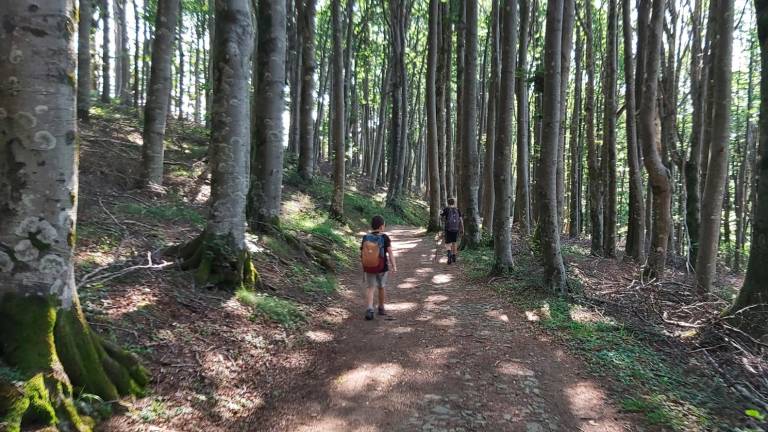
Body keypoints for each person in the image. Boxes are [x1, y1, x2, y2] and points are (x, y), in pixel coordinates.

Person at [360, 215, 397, 320]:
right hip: (382, 267)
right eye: (384, 225)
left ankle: (370, 309)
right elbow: (390, 253)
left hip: (369, 266)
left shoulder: (365, 237)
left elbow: (362, 253)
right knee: (381, 287)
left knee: (370, 288)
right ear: (381, 227)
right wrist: (394, 265)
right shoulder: (385, 237)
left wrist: (364, 265)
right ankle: (381, 307)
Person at [441, 198, 463, 264]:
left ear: (448, 203)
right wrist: (462, 228)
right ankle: (454, 256)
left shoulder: (446, 209)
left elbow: (441, 217)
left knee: (448, 243)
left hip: (448, 228)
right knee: (454, 242)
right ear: (454, 203)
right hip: (456, 228)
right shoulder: (457, 210)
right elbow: (461, 220)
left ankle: (449, 254)